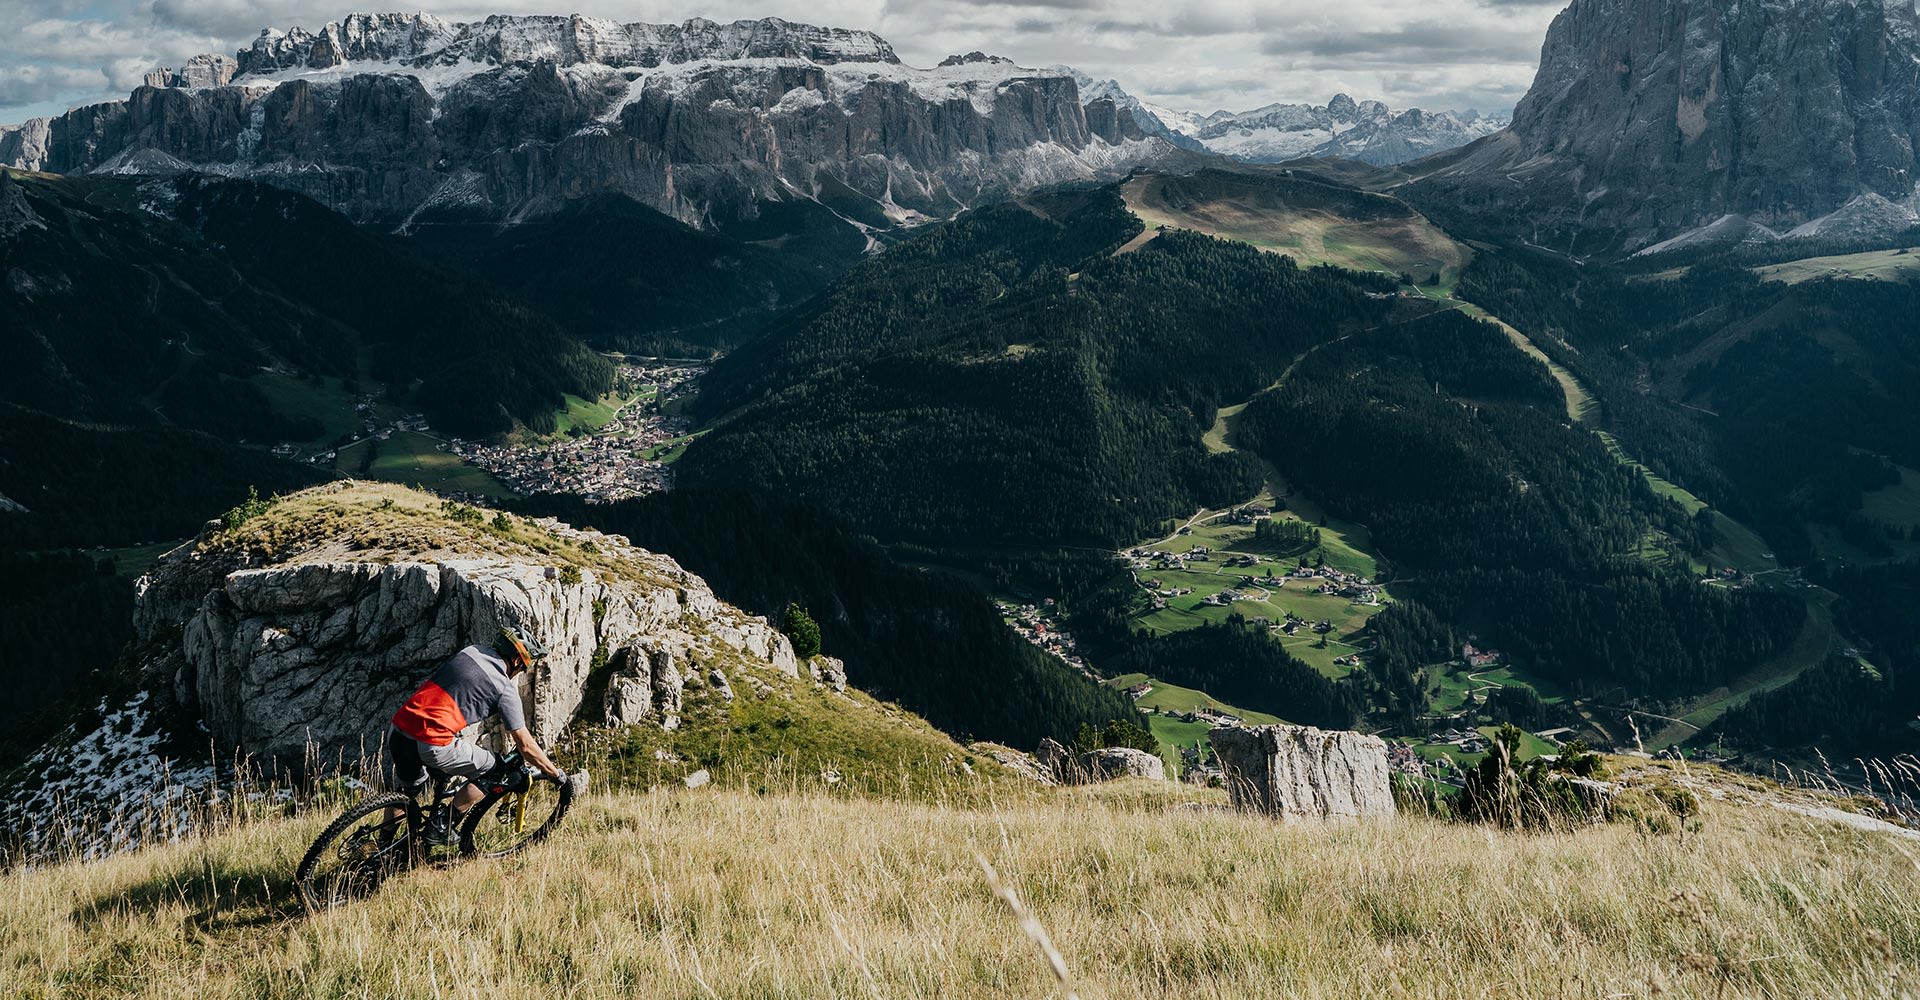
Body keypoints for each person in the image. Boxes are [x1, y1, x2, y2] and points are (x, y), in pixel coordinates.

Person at [389, 625, 567, 844]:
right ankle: (441, 826)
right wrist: (554, 773)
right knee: (495, 771)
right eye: (523, 668)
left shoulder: (470, 651)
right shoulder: (504, 688)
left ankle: (380, 846)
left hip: (399, 728)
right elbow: (526, 746)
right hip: (433, 742)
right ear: (518, 662)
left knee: (406, 792)